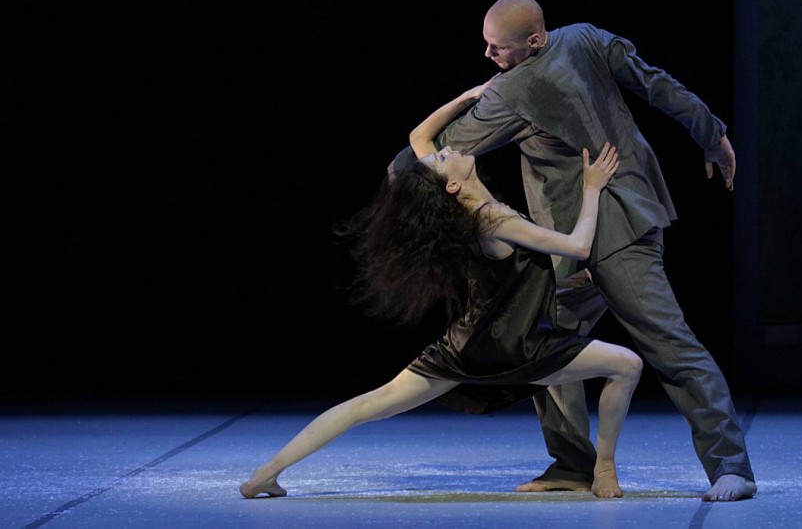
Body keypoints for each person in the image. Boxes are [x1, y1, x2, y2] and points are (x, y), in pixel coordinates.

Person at [387, 0, 757, 502]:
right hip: (596, 231)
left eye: (499, 48)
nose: (490, 57)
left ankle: (730, 468)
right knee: (544, 340)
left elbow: (439, 150)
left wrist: (402, 168)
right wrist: (711, 134)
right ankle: (572, 463)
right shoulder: (586, 36)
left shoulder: (511, 92)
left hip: (612, 234)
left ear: (534, 41)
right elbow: (657, 84)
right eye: (487, 46)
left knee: (668, 344)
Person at [240, 82, 642, 500]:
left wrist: (471, 96)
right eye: (443, 159)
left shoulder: (464, 206)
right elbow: (578, 245)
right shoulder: (493, 220)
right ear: (451, 186)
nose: (447, 150)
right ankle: (605, 468)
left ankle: (264, 476)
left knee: (367, 406)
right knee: (628, 365)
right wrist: (591, 189)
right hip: (521, 347)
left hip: (469, 345)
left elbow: (418, 138)